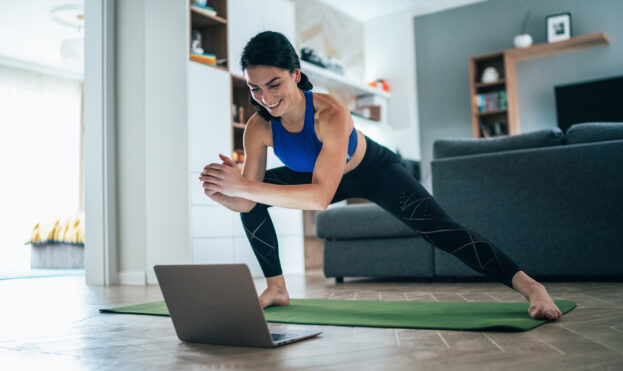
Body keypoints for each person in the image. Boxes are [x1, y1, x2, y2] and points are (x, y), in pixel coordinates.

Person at [199, 31, 562, 320]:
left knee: (442, 230)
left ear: (295, 74)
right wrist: (228, 194)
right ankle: (276, 288)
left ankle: (532, 288)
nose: (264, 97)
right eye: (254, 88)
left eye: (273, 84)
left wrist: (245, 187)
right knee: (253, 205)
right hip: (316, 178)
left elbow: (320, 197)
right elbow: (250, 200)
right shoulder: (257, 128)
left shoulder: (330, 113)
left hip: (373, 171)